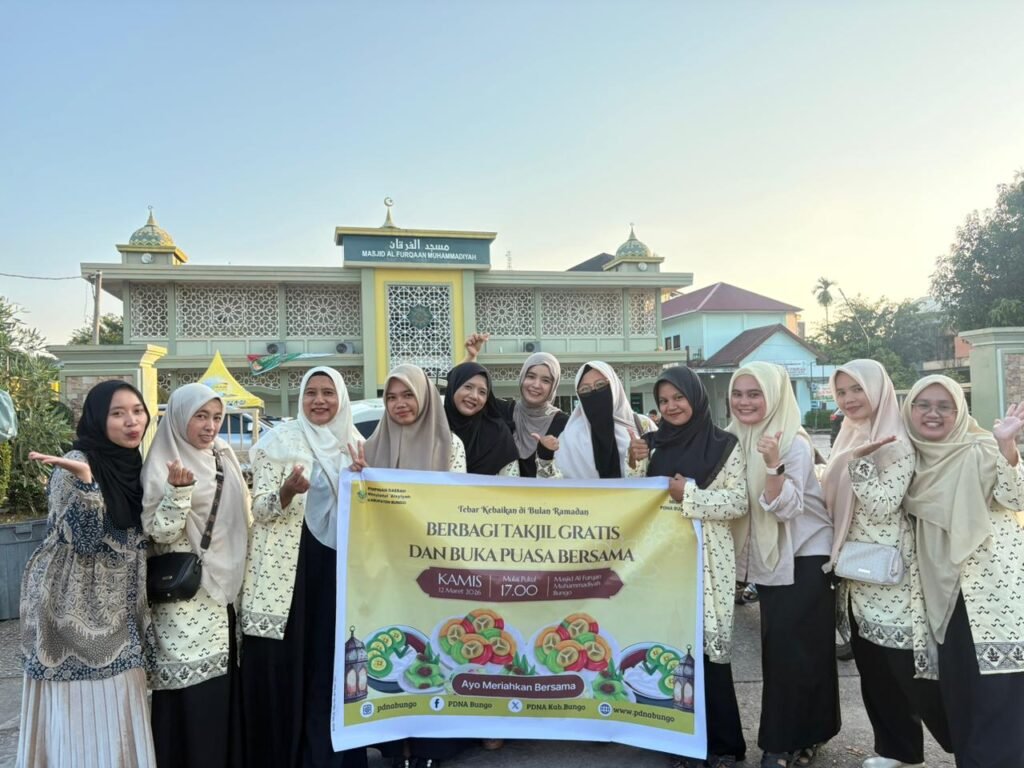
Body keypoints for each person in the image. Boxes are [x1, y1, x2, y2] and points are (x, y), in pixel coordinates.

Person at [17, 380, 156, 767]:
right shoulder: (73, 466)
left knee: (121, 708)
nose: (132, 421)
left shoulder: (134, 464)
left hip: (121, 613)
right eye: (118, 413)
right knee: (82, 714)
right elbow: (85, 541)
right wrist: (87, 482)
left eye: (137, 411)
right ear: (97, 418)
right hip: (74, 612)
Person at [823, 361, 951, 768]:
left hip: (891, 575)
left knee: (906, 671)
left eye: (857, 389)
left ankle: (968, 741)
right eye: (842, 392)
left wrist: (860, 464)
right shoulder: (849, 434)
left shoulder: (895, 441)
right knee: (874, 670)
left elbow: (882, 506)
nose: (849, 399)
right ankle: (897, 751)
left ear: (878, 390)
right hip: (855, 572)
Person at [240, 368, 368, 768]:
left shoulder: (355, 444)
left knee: (330, 665)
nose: (319, 400)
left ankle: (327, 756)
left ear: (341, 398)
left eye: (328, 392)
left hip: (337, 568)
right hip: (289, 571)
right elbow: (259, 510)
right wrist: (285, 492)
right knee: (292, 664)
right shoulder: (278, 441)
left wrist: (363, 482)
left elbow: (370, 510)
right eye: (311, 392)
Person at [900, 375, 1024, 767]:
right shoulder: (909, 456)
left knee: (998, 687)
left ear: (960, 411)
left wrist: (1007, 446)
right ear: (909, 409)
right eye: (923, 405)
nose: (933, 414)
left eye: (945, 406)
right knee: (960, 686)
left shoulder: (981, 447)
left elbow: (1015, 496)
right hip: (941, 589)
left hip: (989, 588)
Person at [627, 366, 748, 768]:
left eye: (678, 397)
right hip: (663, 561)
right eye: (663, 401)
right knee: (673, 649)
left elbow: (738, 502)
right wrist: (634, 462)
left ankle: (723, 745)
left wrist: (690, 495)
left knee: (709, 655)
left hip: (708, 561)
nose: (671, 406)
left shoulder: (725, 445)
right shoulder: (652, 445)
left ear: (695, 398)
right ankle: (679, 740)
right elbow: (634, 500)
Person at [352, 363, 466, 768]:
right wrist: (357, 480)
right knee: (392, 652)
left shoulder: (449, 444)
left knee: (432, 652)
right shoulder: (370, 446)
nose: (400, 404)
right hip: (386, 571)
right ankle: (395, 745)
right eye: (391, 397)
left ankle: (429, 748)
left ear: (425, 398)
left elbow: (458, 507)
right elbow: (361, 510)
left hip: (435, 569)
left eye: (408, 395)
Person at [726, 362, 839, 768]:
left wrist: (773, 465)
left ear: (773, 396)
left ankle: (782, 743)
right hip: (771, 560)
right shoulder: (732, 439)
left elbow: (785, 508)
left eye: (755, 394)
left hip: (804, 555)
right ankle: (809, 733)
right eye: (738, 394)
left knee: (795, 651)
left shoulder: (793, 442)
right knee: (787, 650)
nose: (744, 402)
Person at [142, 383, 251, 768]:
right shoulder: (161, 462)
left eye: (217, 417)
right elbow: (159, 534)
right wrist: (178, 492)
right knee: (187, 697)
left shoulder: (222, 456)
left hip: (225, 598)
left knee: (220, 694)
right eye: (200, 416)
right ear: (179, 417)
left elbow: (242, 516)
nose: (210, 426)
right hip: (184, 599)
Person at [463, 333, 568, 477]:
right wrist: (471, 357)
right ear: (522, 378)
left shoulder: (563, 425)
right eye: (531, 376)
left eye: (546, 380)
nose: (536, 385)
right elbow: (465, 395)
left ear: (553, 386)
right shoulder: (503, 411)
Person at [544, 361, 656, 479]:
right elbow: (553, 483)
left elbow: (663, 468)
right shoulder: (570, 438)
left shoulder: (643, 425)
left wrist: (636, 462)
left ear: (614, 386)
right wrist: (544, 455)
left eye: (601, 385)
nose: (594, 393)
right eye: (585, 389)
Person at [443, 361, 520, 477]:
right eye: (468, 387)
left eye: (482, 392)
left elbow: (511, 480)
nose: (474, 396)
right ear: (454, 386)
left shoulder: (498, 433)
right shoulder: (434, 426)